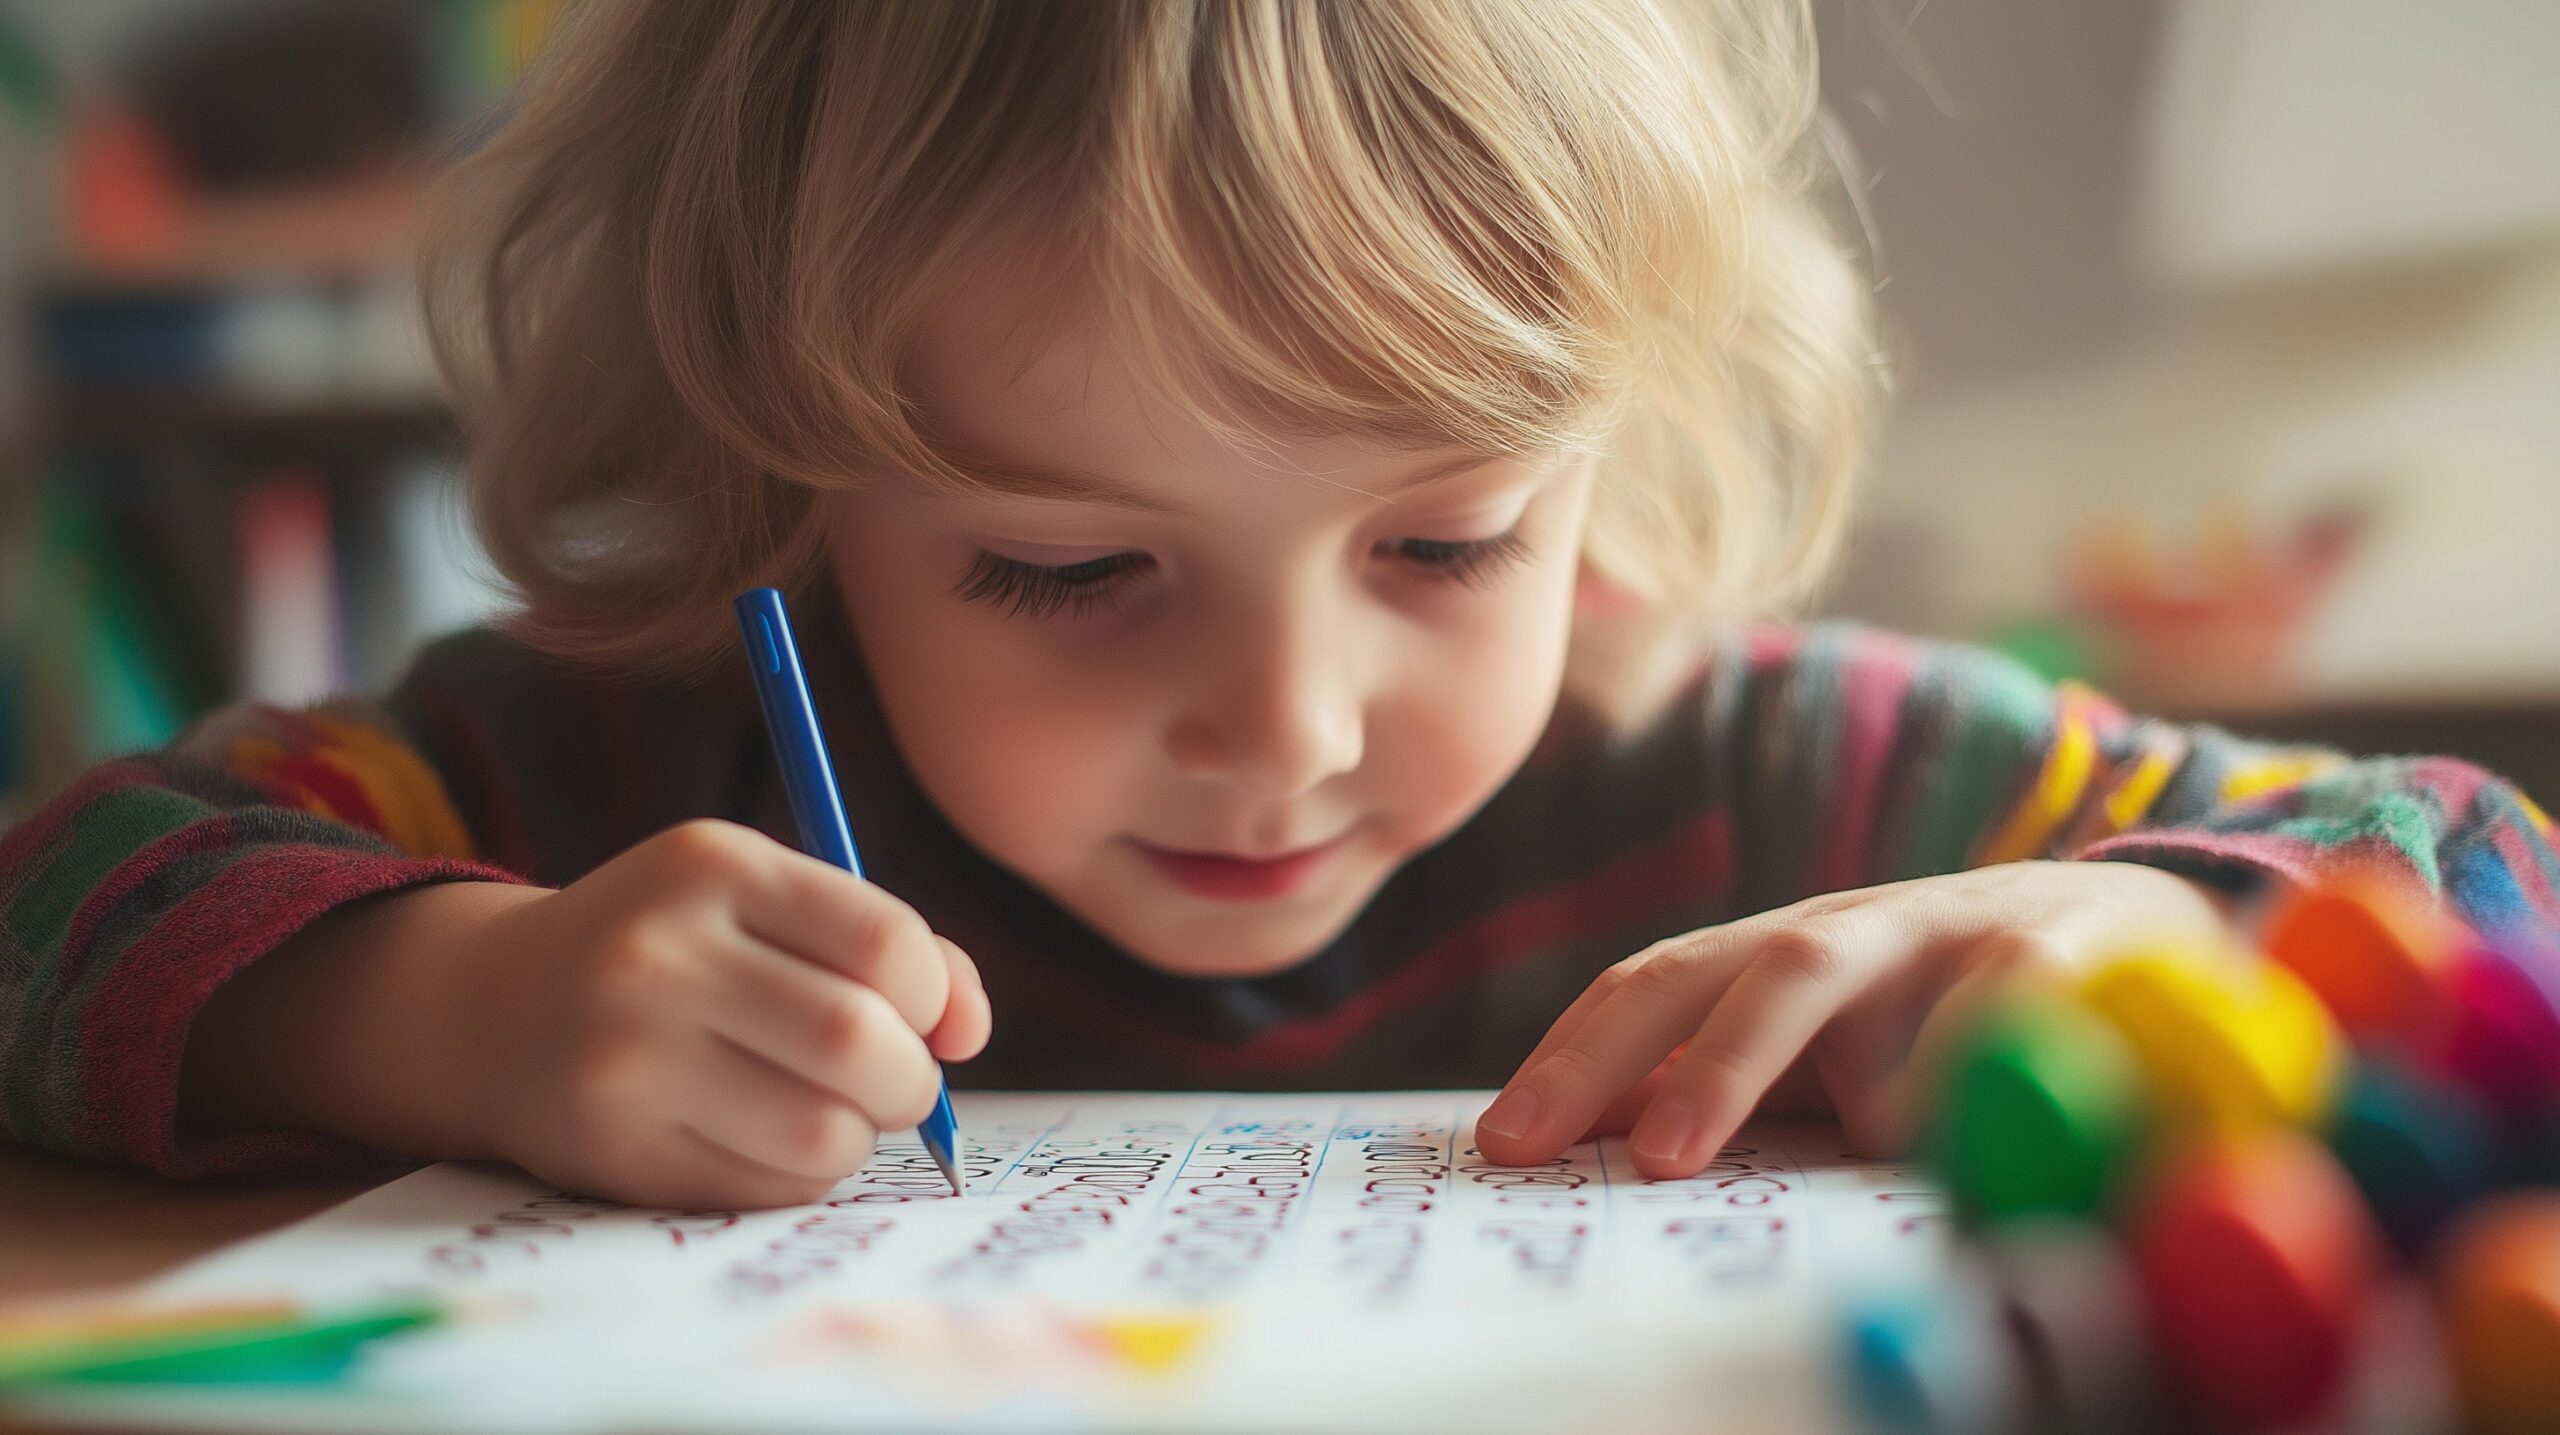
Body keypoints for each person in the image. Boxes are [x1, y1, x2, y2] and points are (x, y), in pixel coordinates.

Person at [4, 0, 2551, 1211]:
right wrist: (460, 1001)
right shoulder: (602, 777)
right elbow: (51, 904)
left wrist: (2117, 920)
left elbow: (2476, 867)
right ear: (782, 474)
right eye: (1063, 565)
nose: (1286, 724)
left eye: (1446, 545)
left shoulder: (1783, 767)